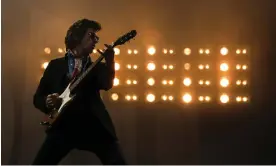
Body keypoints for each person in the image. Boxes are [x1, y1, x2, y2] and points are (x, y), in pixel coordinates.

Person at [32, 18, 126, 165]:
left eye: (97, 37)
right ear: (77, 36)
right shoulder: (55, 65)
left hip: (92, 125)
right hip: (63, 126)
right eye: (91, 35)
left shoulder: (96, 67)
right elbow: (38, 97)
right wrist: (47, 101)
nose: (96, 40)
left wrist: (110, 62)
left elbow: (107, 84)